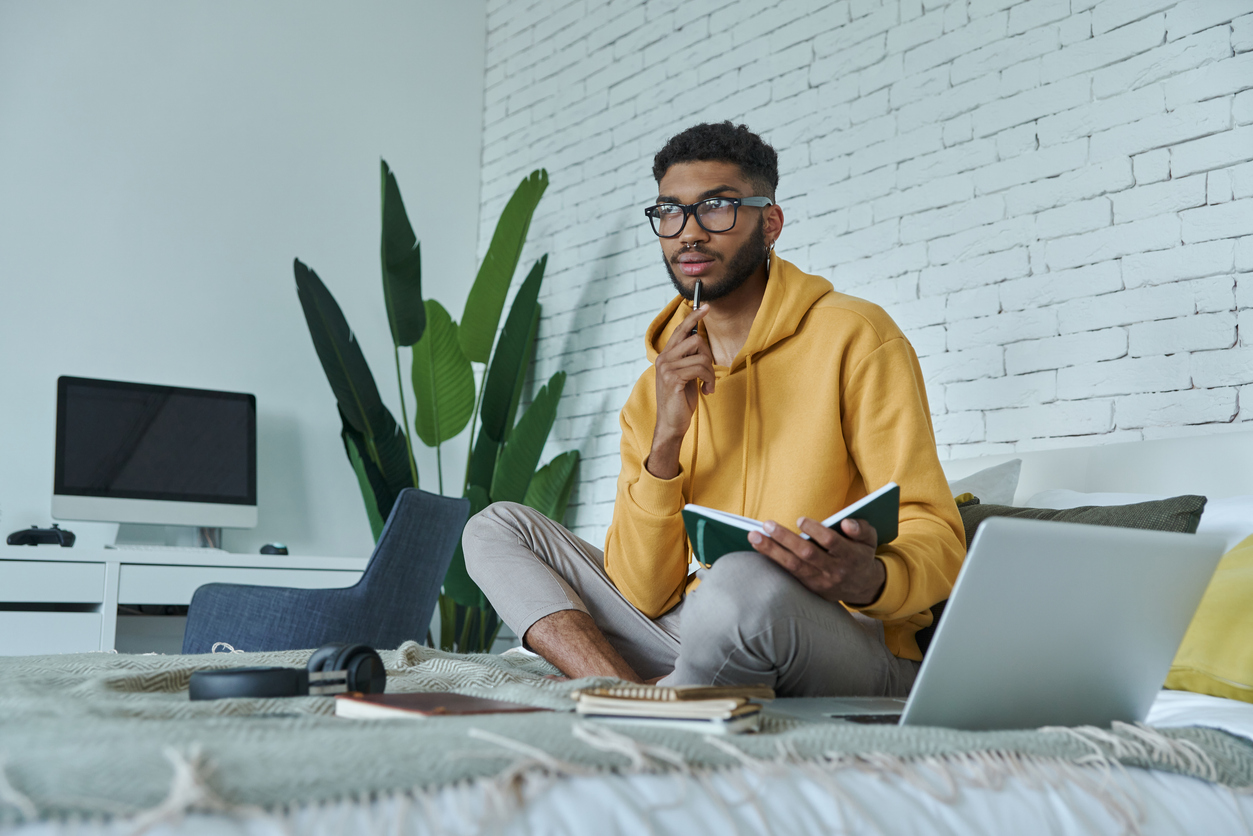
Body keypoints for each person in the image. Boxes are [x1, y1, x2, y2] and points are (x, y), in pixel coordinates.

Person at [463, 121, 965, 696]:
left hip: (832, 634)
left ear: (769, 222)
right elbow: (644, 594)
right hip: (693, 627)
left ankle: (666, 698)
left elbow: (938, 535)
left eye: (718, 207)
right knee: (494, 527)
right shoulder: (656, 386)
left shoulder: (856, 337)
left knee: (744, 580)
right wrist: (665, 443)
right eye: (670, 213)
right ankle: (625, 693)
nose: (689, 233)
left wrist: (870, 575)